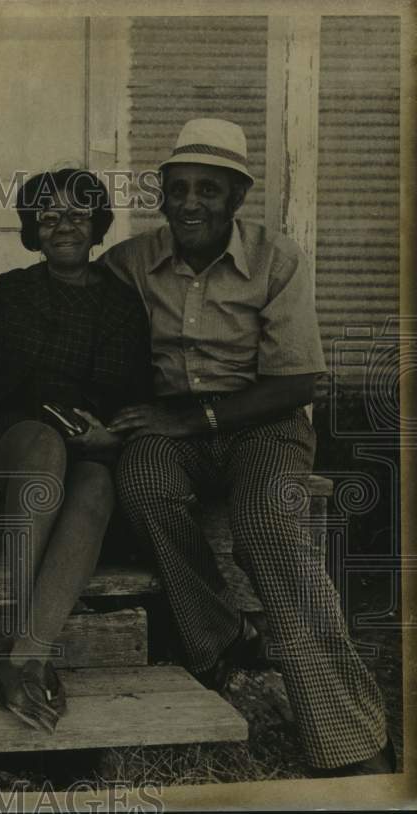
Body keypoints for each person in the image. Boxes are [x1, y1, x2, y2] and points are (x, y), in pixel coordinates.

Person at [101, 118, 393, 775]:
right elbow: (78, 318)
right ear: (163, 197)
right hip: (168, 423)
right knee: (142, 485)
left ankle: (351, 741)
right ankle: (222, 637)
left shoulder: (276, 257)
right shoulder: (129, 261)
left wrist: (199, 417)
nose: (192, 203)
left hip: (265, 423)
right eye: (178, 189)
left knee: (266, 525)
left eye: (210, 189)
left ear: (237, 198)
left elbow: (298, 380)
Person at [0, 168, 151, 732]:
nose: (63, 226)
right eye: (48, 216)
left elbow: (137, 390)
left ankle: (25, 657)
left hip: (90, 442)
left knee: (98, 482)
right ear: (32, 229)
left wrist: (110, 437)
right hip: (14, 438)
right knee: (46, 446)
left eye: (77, 214)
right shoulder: (13, 289)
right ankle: (24, 649)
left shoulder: (123, 305)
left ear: (98, 225)